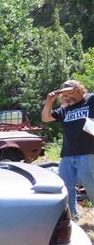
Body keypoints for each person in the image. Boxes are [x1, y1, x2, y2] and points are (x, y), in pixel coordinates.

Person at [41, 79, 94, 220]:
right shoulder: (65, 108)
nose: (65, 97)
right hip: (67, 154)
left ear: (77, 89)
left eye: (68, 93)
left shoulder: (91, 99)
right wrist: (49, 101)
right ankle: (73, 216)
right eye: (63, 94)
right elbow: (46, 118)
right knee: (66, 187)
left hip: (89, 153)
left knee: (91, 186)